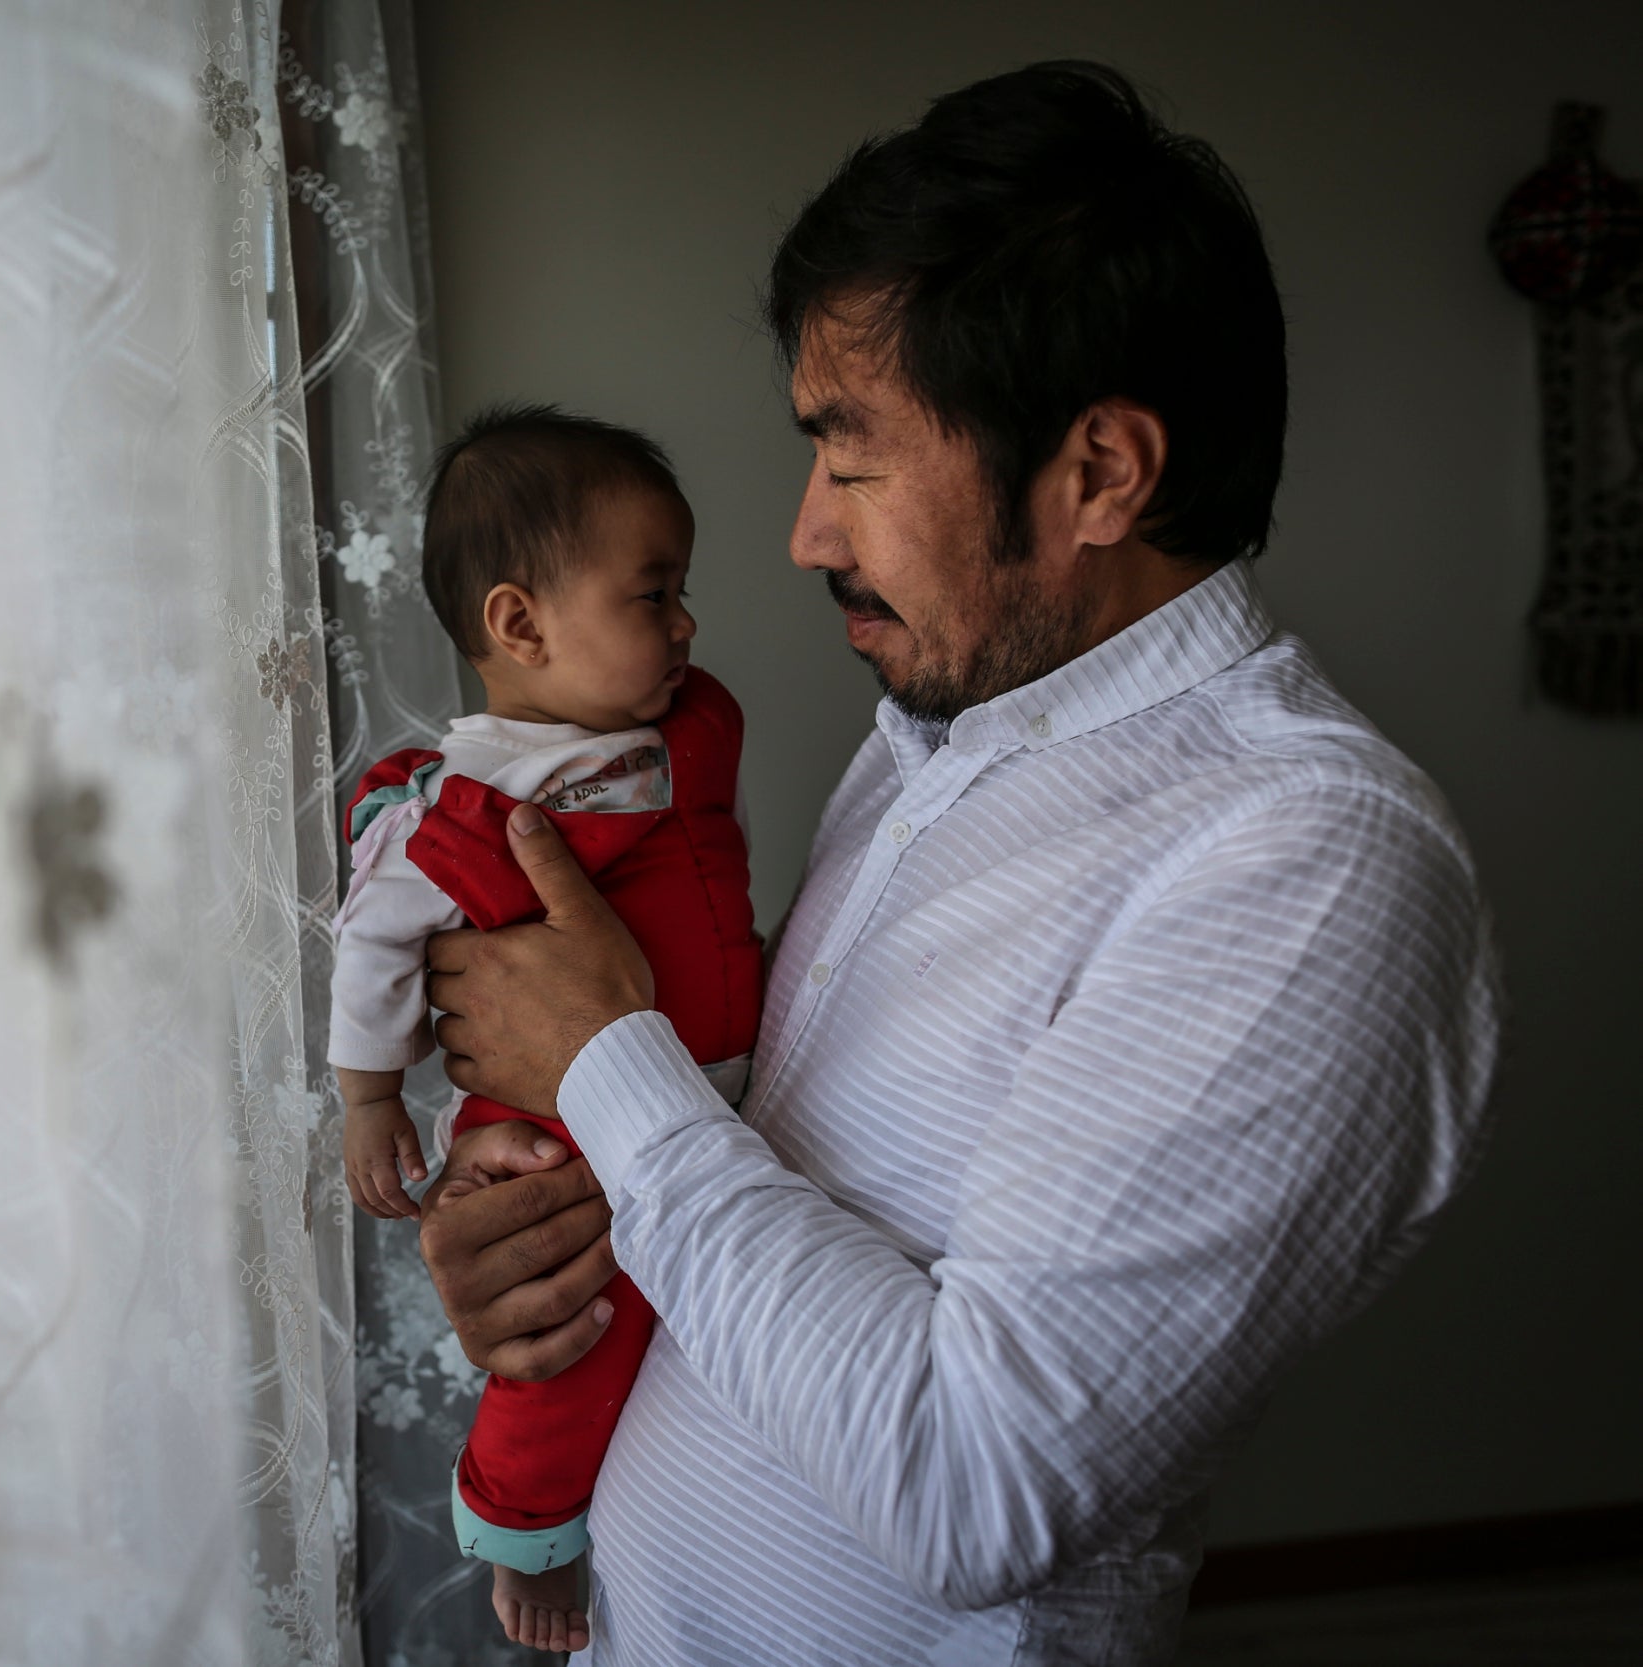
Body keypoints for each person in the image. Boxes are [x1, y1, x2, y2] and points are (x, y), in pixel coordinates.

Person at [412, 62, 1504, 1665]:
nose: (804, 533)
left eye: (851, 456)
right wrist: (544, 1229)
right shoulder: (939, 735)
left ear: (1100, 474)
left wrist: (604, 1065)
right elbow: (762, 1181)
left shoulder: (1314, 861)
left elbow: (975, 1482)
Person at [330, 404, 761, 1654]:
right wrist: (369, 1099)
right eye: (653, 592)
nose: (685, 622)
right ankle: (526, 1522)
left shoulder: (671, 732)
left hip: (711, 1100)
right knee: (564, 1330)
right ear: (518, 625)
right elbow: (370, 943)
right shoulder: (464, 802)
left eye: (682, 589)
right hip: (560, 1127)